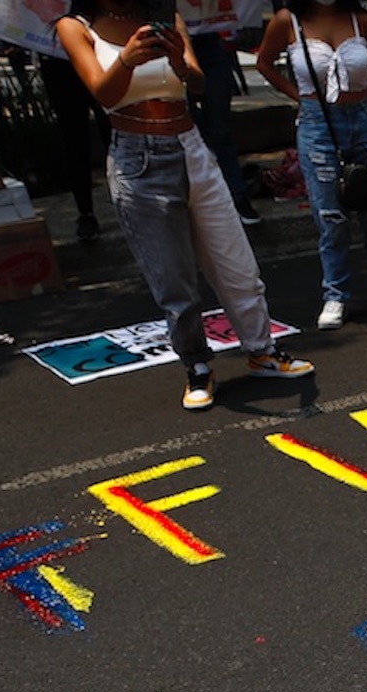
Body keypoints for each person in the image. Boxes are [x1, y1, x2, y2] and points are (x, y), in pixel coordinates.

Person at [57, 0, 314, 411]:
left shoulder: (164, 13)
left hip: (190, 145)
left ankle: (262, 350)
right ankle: (197, 366)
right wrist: (126, 59)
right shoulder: (75, 27)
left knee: (236, 262)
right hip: (137, 158)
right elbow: (102, 92)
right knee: (173, 278)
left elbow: (196, 84)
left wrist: (177, 57)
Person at [257, 0, 367, 331]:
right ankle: (336, 294)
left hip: (364, 118)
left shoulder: (360, 19)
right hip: (317, 123)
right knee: (330, 215)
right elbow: (264, 64)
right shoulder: (288, 21)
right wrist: (300, 96)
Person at [189, 27, 262, 225]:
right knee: (189, 127)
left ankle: (238, 197)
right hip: (172, 44)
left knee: (220, 129)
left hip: (209, 41)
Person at [38, 48, 109, 240]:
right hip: (59, 63)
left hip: (98, 55)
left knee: (114, 134)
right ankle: (85, 213)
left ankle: (129, 201)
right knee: (73, 142)